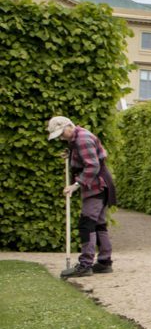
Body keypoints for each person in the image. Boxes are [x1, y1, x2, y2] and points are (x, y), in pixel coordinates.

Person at [47, 115, 116, 278]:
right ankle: (105, 262)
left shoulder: (82, 139)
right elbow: (83, 157)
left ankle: (85, 265)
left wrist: (75, 185)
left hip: (96, 185)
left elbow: (92, 166)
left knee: (87, 223)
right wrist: (70, 154)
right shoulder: (76, 138)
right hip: (100, 184)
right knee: (98, 223)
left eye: (61, 134)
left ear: (68, 126)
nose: (61, 138)